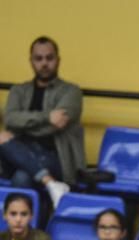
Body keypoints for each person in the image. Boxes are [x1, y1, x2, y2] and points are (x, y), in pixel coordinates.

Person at [0, 36, 85, 207]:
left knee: (22, 176)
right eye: (38, 58)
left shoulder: (71, 92)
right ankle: (50, 183)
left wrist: (24, 123)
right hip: (16, 154)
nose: (44, 63)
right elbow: (9, 119)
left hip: (55, 157)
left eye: (49, 58)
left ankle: (24, 233)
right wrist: (47, 118)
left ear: (58, 60)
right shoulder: (18, 91)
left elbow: (55, 127)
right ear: (31, 61)